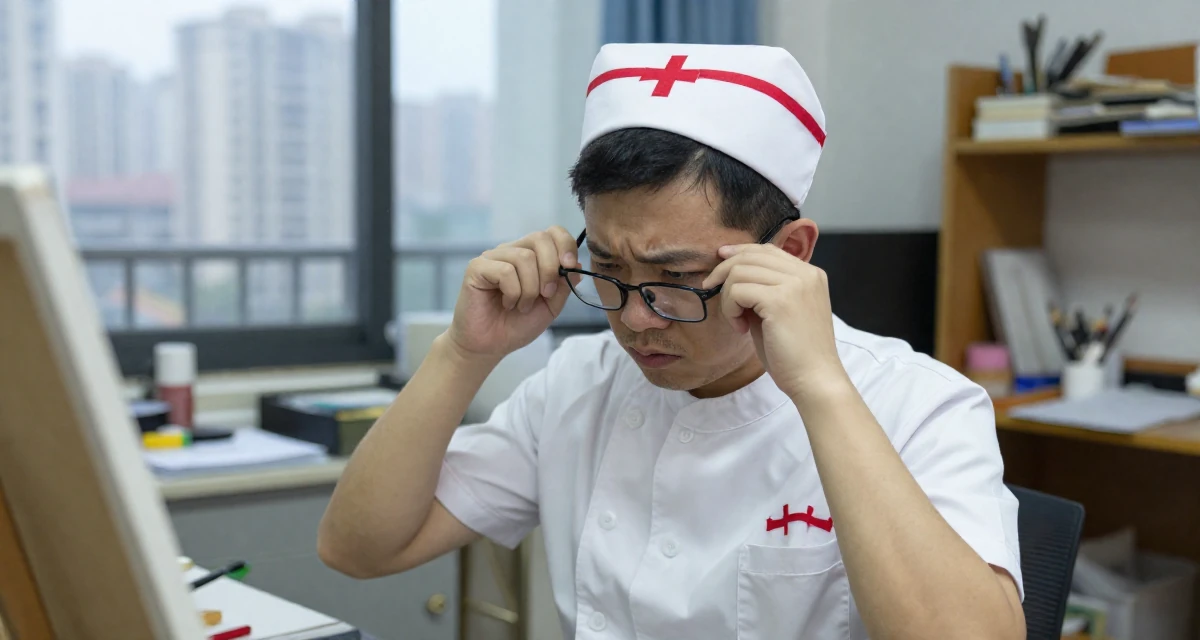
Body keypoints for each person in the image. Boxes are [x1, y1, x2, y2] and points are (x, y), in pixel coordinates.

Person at [319, 43, 1025, 640]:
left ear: (791, 253)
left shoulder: (917, 402)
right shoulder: (579, 383)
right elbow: (357, 547)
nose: (635, 320)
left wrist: (821, 390)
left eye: (676, 277)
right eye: (608, 268)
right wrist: (462, 355)